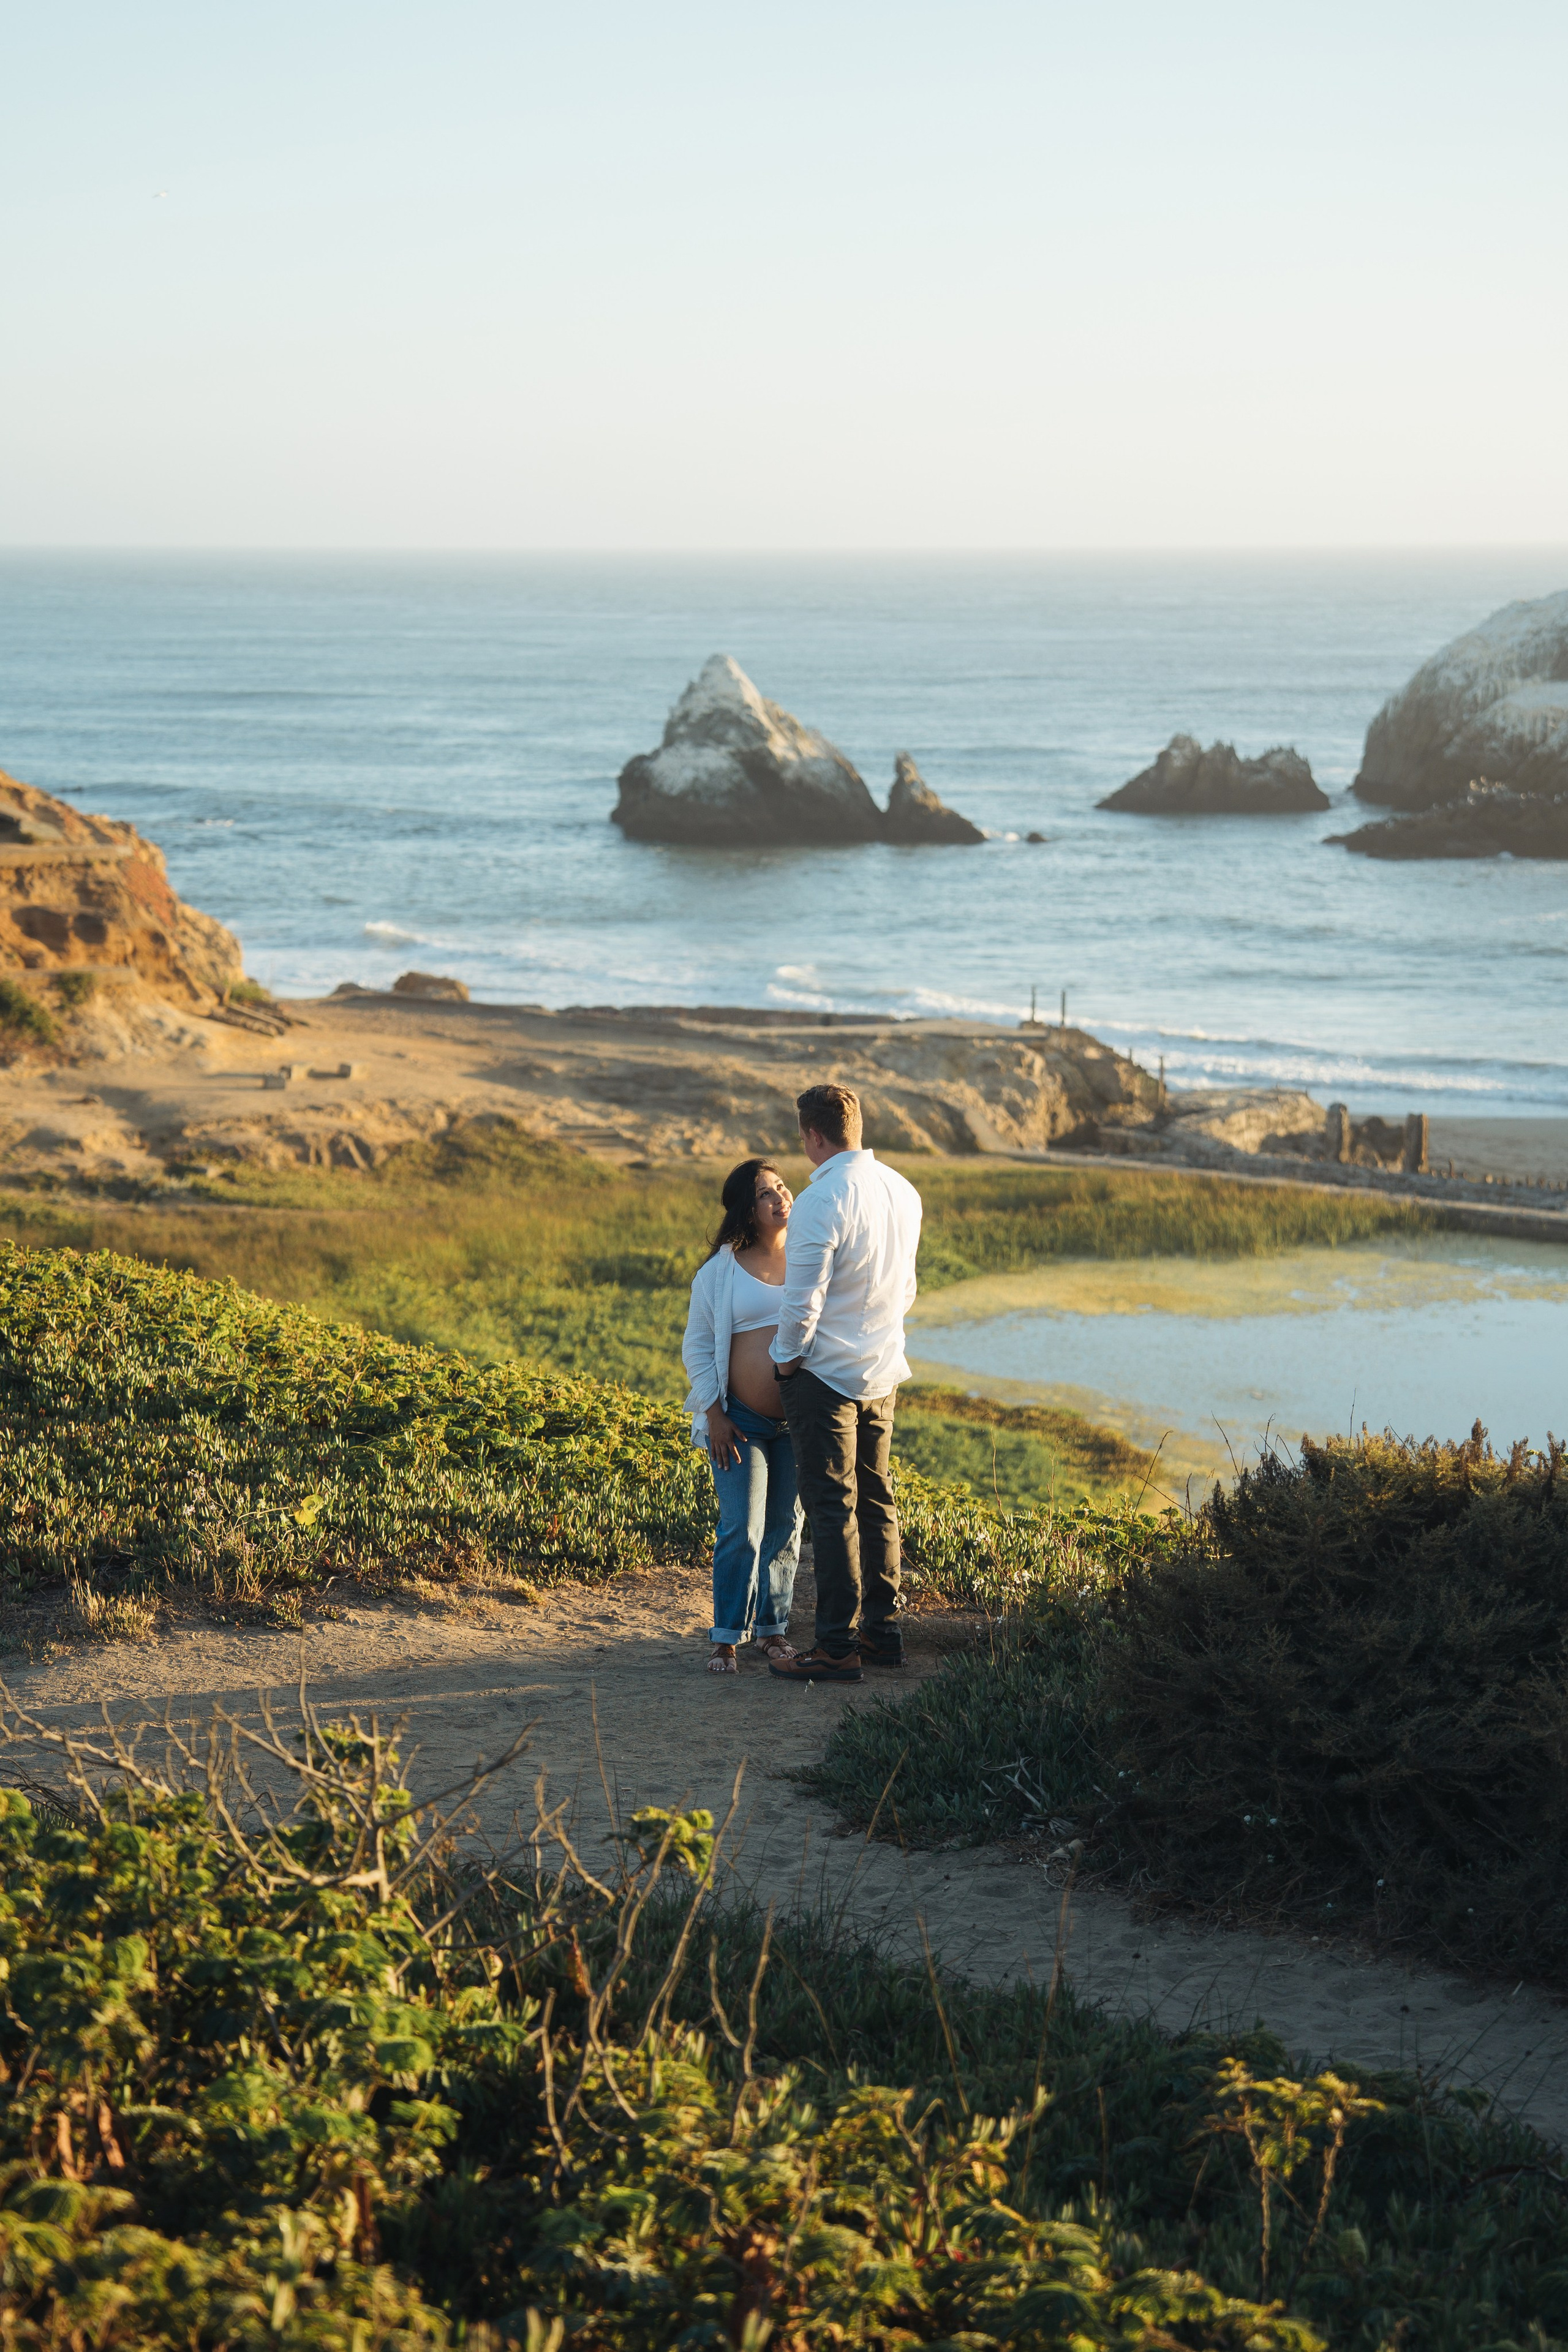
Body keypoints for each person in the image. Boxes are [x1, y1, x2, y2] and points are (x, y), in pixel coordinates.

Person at [767, 1083, 922, 1684]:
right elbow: (906, 1291)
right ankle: (882, 1635)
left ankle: (835, 1647)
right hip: (883, 1370)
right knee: (877, 1500)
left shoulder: (820, 1199)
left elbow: (801, 1306)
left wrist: (785, 1365)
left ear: (813, 1135)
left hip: (825, 1375)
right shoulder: (902, 1190)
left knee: (832, 1510)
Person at [680, 1157, 803, 1674]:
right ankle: (727, 1636)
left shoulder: (810, 1255)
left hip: (799, 1421)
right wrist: (714, 1414)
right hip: (740, 1421)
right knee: (742, 1527)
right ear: (746, 1210)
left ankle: (773, 1631)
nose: (780, 1197)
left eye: (781, 1187)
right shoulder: (720, 1271)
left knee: (786, 1526)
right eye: (764, 1193)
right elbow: (698, 1345)